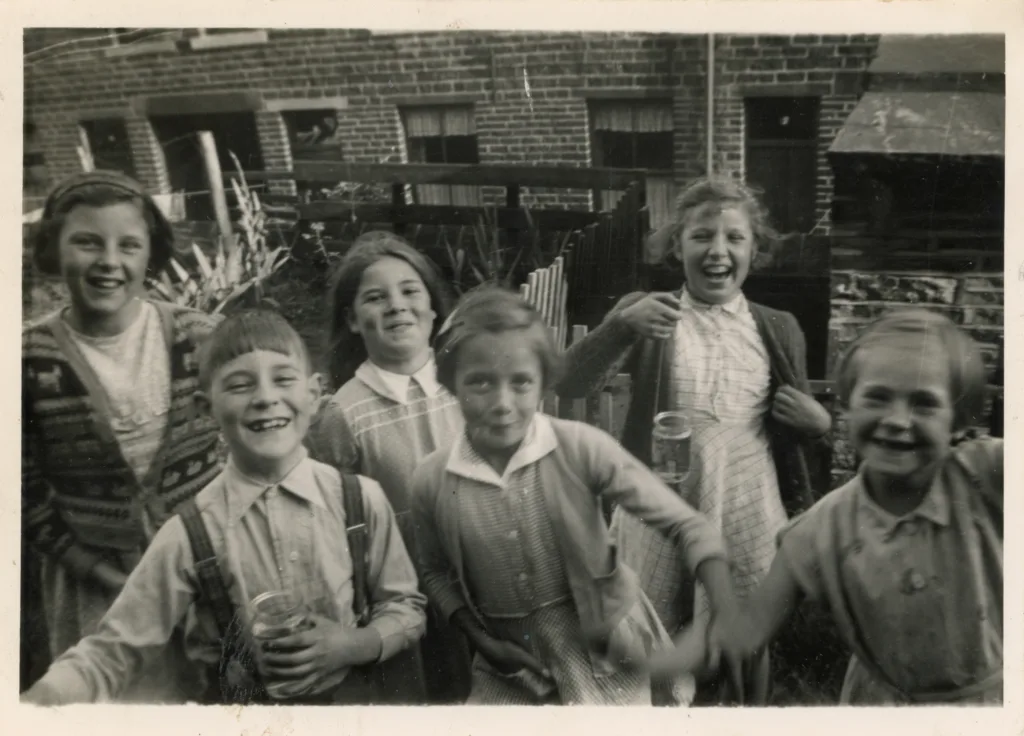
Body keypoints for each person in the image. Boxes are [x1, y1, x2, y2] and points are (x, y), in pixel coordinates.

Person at [21, 310, 427, 705]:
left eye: (283, 379)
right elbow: (115, 648)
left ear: (313, 394)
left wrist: (353, 644)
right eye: (239, 385)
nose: (265, 398)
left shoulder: (359, 500)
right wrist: (42, 700)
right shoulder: (191, 532)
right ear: (204, 408)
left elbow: (405, 607)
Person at [556, 177, 831, 703]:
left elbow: (800, 434)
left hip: (745, 497)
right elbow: (569, 382)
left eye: (735, 238)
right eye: (701, 236)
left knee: (748, 631)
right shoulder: (650, 312)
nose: (718, 250)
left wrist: (819, 423)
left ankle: (746, 715)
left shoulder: (778, 327)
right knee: (648, 626)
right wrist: (621, 326)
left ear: (755, 250)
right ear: (676, 247)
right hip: (661, 499)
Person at [410, 287, 748, 706]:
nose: (502, 404)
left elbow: (686, 524)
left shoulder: (580, 448)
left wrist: (723, 608)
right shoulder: (432, 479)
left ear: (542, 381)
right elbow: (435, 570)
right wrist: (482, 640)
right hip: (512, 666)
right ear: (450, 383)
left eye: (521, 382)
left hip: (607, 656)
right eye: (480, 382)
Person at [655, 309, 1004, 705]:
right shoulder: (822, 528)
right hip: (881, 705)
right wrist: (676, 654)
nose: (896, 419)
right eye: (877, 397)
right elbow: (748, 627)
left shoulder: (983, 477)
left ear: (957, 422)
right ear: (847, 408)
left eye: (924, 404)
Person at [22, 170, 223, 702]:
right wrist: (96, 571)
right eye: (88, 242)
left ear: (150, 253)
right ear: (53, 248)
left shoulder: (198, 336)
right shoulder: (28, 360)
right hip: (97, 584)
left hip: (206, 569)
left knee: (218, 696)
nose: (109, 261)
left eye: (128, 245)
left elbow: (236, 445)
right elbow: (20, 492)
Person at [306, 230, 471, 703]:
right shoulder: (343, 414)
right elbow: (334, 524)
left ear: (434, 308)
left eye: (409, 291)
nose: (397, 305)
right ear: (352, 321)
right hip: (409, 605)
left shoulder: (469, 382)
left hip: (487, 585)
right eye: (376, 298)